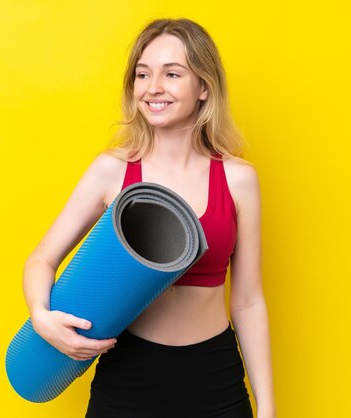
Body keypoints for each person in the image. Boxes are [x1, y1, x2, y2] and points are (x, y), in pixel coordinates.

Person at [22, 18, 276, 418]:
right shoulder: (113, 171)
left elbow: (247, 301)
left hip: (215, 375)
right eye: (143, 74)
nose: (153, 87)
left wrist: (268, 407)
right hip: (128, 374)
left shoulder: (238, 179)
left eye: (172, 74)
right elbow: (41, 259)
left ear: (204, 87)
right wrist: (41, 316)